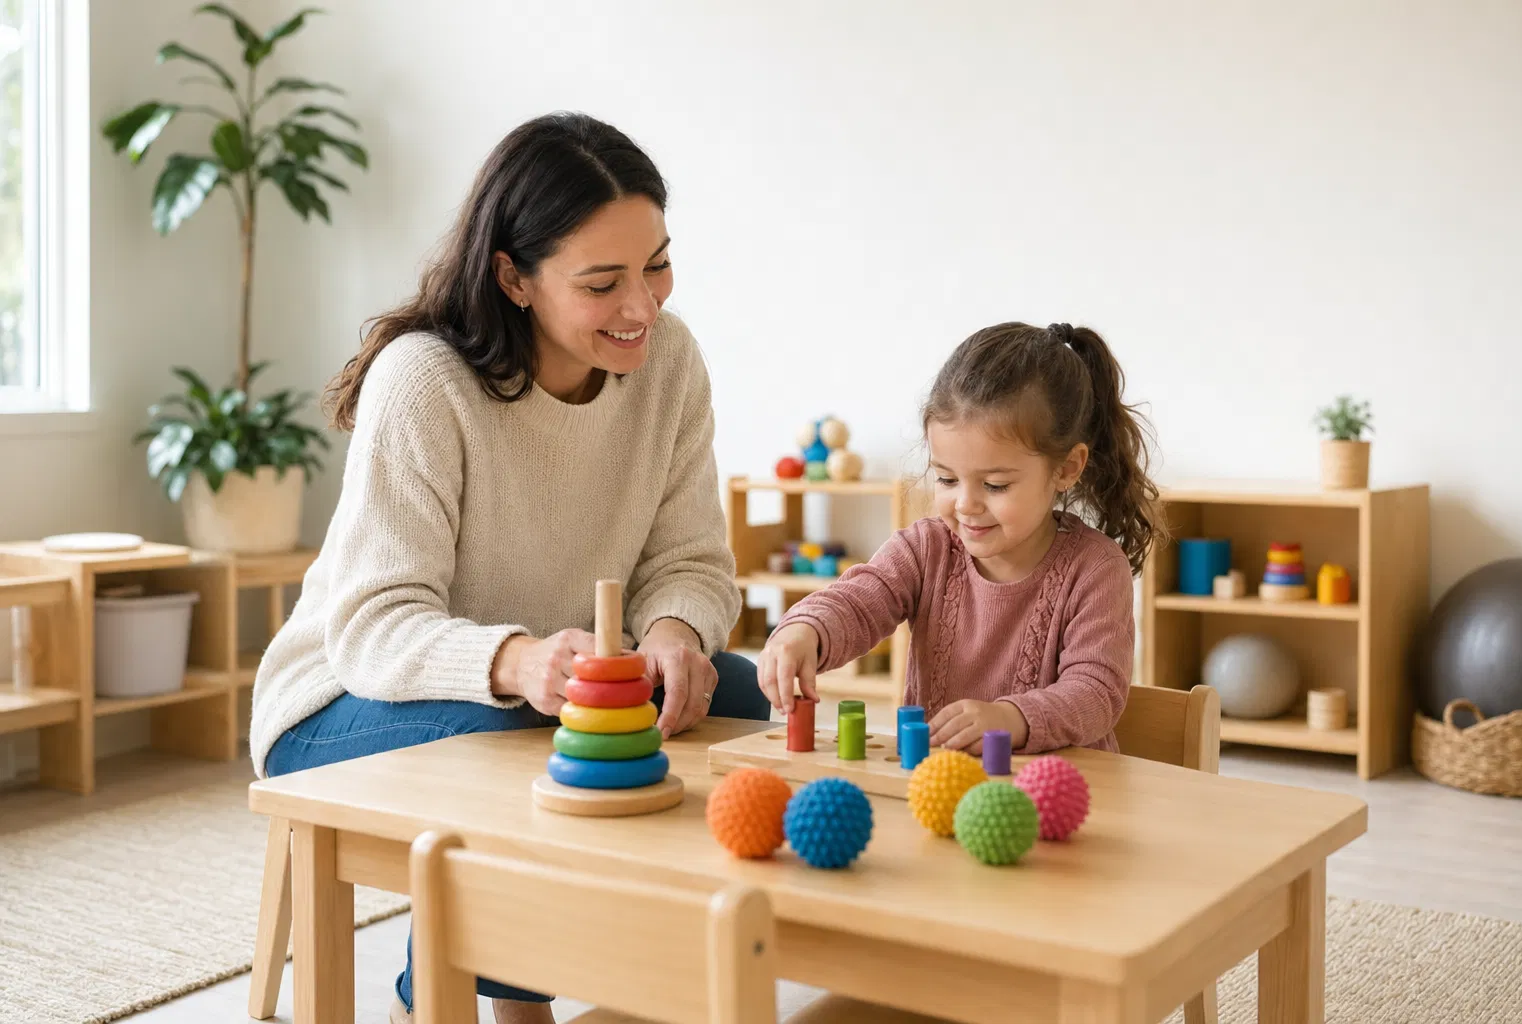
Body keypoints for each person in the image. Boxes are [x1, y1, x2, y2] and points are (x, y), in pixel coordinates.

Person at [249, 112, 770, 1024]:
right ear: (513, 277)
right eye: (602, 283)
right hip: (336, 703)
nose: (643, 305)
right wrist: (518, 661)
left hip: (555, 687)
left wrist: (676, 634)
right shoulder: (424, 382)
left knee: (736, 701)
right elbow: (372, 626)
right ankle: (466, 1000)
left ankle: (650, 974)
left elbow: (687, 558)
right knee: (536, 742)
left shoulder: (669, 362)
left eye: (657, 264)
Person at [759, 321, 1165, 754]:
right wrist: (805, 630)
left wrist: (1012, 719)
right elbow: (858, 600)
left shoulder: (1096, 568)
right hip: (942, 791)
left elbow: (1096, 692)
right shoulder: (925, 549)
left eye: (995, 485)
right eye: (947, 479)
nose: (966, 505)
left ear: (1066, 468)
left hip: (1056, 799)